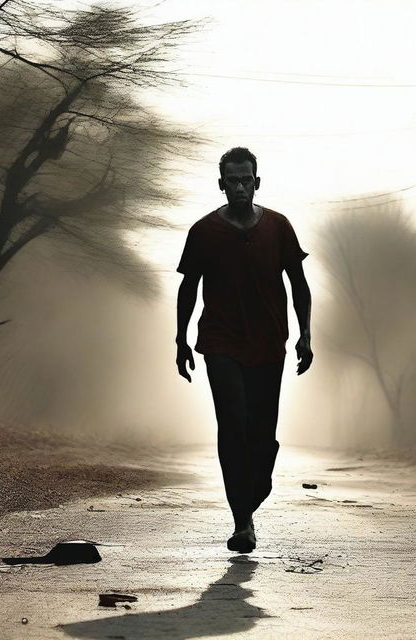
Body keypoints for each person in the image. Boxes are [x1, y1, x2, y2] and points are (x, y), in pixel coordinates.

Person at [175, 147, 313, 554]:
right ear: (221, 184)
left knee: (261, 437)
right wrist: (180, 338)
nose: (239, 186)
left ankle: (252, 495)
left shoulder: (279, 228)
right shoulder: (203, 232)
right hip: (220, 342)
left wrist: (305, 333)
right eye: (231, 180)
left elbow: (298, 284)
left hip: (270, 344)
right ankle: (243, 523)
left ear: (257, 182)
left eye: (245, 179)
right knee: (233, 424)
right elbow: (188, 288)